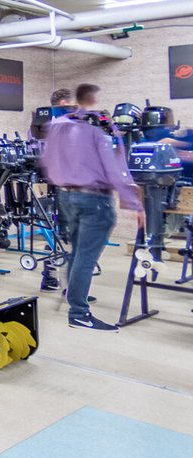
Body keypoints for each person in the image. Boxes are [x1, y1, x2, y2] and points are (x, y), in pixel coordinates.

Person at [40, 83, 142, 331]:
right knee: (86, 256)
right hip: (94, 200)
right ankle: (79, 313)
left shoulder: (56, 128)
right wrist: (135, 204)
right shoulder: (97, 132)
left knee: (77, 252)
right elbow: (114, 169)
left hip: (67, 196)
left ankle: (74, 295)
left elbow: (47, 163)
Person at [37, 88, 77, 292]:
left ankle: (50, 278)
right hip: (66, 188)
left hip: (55, 185)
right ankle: (71, 288)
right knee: (67, 236)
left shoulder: (43, 123)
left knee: (57, 235)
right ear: (63, 103)